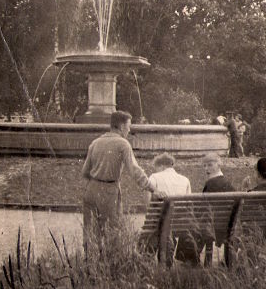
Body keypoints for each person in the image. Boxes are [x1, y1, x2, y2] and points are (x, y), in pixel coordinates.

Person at [82, 110, 166, 249]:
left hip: (91, 191)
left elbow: (85, 172)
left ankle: (89, 265)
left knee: (90, 233)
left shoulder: (95, 143)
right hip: (109, 192)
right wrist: (153, 189)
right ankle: (110, 266)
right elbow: (134, 170)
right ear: (121, 126)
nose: (129, 130)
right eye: (128, 126)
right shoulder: (123, 144)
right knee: (112, 232)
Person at [146, 153, 192, 266]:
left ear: (161, 166)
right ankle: (167, 259)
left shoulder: (154, 177)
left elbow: (148, 200)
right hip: (179, 222)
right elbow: (188, 203)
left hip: (160, 222)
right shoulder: (185, 180)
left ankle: (153, 261)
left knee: (154, 231)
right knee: (166, 230)